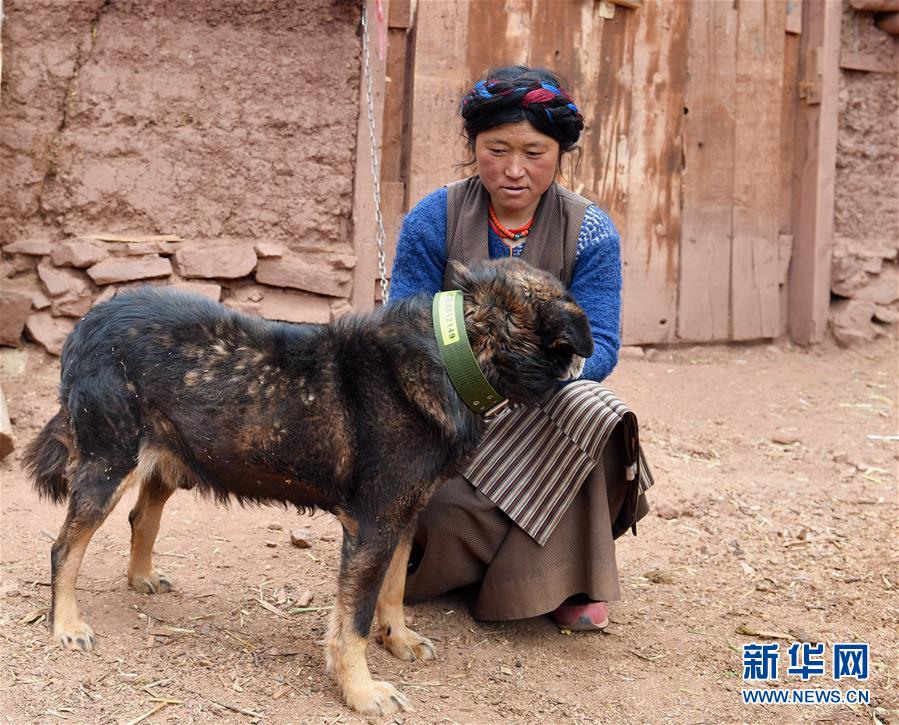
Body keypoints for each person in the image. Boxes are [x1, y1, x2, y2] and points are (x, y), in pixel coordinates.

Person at [388, 66, 653, 631]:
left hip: (544, 401)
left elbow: (602, 342)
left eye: (534, 152)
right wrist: (470, 384)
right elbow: (403, 326)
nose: (514, 169)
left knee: (598, 413)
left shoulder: (590, 230)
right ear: (473, 146)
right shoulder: (434, 218)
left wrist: (533, 381)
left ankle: (564, 579)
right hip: (452, 403)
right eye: (497, 150)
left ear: (560, 153)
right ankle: (445, 565)